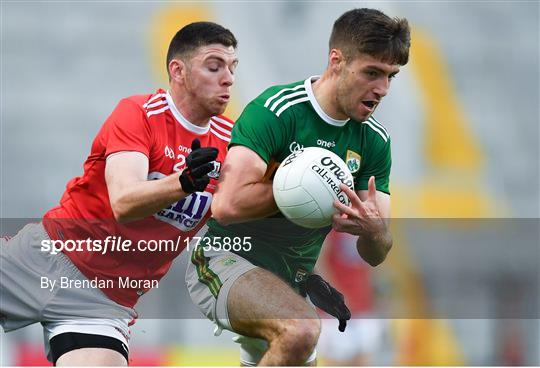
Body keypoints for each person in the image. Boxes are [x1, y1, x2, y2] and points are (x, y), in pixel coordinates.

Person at [0, 21, 238, 366]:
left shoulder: (234, 143)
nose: (228, 78)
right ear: (178, 71)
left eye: (233, 68)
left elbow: (248, 210)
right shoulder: (140, 113)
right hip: (44, 257)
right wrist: (183, 182)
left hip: (102, 300)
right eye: (214, 66)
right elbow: (123, 202)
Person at [185, 8, 410, 366]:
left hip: (291, 283)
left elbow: (377, 251)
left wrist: (374, 230)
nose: (381, 89)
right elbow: (226, 206)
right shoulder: (277, 111)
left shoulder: (374, 142)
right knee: (301, 329)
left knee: (297, 338)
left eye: (390, 77)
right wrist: (300, 185)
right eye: (372, 72)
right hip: (225, 260)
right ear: (336, 61)